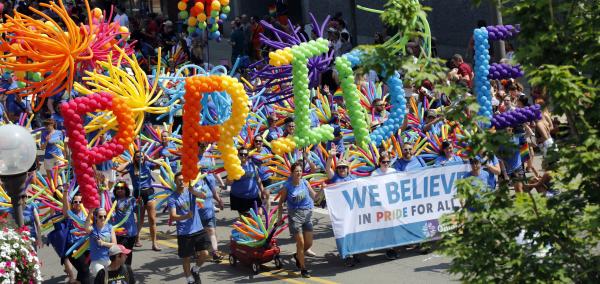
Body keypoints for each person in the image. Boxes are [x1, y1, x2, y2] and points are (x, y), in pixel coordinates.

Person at [169, 172, 210, 284]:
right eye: (179, 180)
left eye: (183, 179)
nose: (181, 182)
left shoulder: (190, 191)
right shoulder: (172, 198)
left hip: (198, 229)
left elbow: (204, 196)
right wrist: (185, 216)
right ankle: (189, 279)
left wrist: (194, 191)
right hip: (184, 232)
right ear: (175, 182)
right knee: (186, 258)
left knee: (205, 253)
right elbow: (173, 216)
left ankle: (195, 269)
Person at [277, 162, 317, 278]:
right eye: (296, 171)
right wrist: (279, 218)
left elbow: (315, 196)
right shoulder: (287, 186)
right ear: (292, 173)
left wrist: (322, 191)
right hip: (295, 216)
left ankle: (298, 256)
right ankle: (303, 268)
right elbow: (280, 203)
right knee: (301, 243)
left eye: (300, 171)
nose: (299, 173)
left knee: (308, 244)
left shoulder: (305, 182)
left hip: (307, 214)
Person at [117, 151, 161, 250]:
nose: (140, 158)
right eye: (137, 157)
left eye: (141, 156)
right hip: (138, 195)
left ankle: (154, 243)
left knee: (152, 219)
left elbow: (160, 165)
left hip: (149, 193)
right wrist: (129, 161)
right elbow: (119, 169)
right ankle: (137, 239)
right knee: (140, 219)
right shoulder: (132, 166)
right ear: (134, 158)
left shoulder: (147, 164)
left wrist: (150, 159)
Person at [227, 148, 269, 215]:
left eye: (245, 154)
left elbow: (258, 179)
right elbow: (229, 183)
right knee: (244, 218)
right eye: (241, 154)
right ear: (238, 155)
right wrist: (231, 177)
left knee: (259, 214)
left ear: (248, 156)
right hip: (239, 197)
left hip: (253, 195)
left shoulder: (252, 164)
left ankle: (255, 225)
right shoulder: (234, 166)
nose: (243, 156)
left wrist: (262, 191)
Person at [197, 170, 225, 262]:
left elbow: (213, 192)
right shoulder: (190, 183)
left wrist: (219, 201)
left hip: (209, 212)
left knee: (211, 231)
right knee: (200, 234)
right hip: (197, 215)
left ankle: (215, 253)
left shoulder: (206, 179)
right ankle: (197, 251)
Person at [63, 192, 90, 284]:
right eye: (75, 201)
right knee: (85, 269)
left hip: (87, 245)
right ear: (72, 203)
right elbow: (65, 210)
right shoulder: (70, 214)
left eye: (80, 201)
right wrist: (65, 193)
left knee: (83, 271)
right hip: (74, 246)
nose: (78, 203)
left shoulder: (87, 212)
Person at [84, 208, 117, 278]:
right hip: (96, 262)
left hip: (107, 260)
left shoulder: (110, 227)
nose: (103, 218)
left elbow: (115, 244)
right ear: (95, 217)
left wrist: (103, 243)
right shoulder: (92, 228)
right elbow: (86, 227)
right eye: (100, 216)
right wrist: (90, 213)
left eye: (105, 216)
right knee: (102, 277)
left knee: (110, 280)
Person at [111, 181, 137, 266]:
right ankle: (121, 269)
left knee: (128, 252)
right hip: (120, 233)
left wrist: (140, 204)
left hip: (132, 232)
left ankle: (127, 270)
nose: (120, 190)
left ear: (126, 190)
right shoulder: (113, 200)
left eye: (122, 188)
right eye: (118, 188)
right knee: (121, 253)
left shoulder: (131, 199)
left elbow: (137, 210)